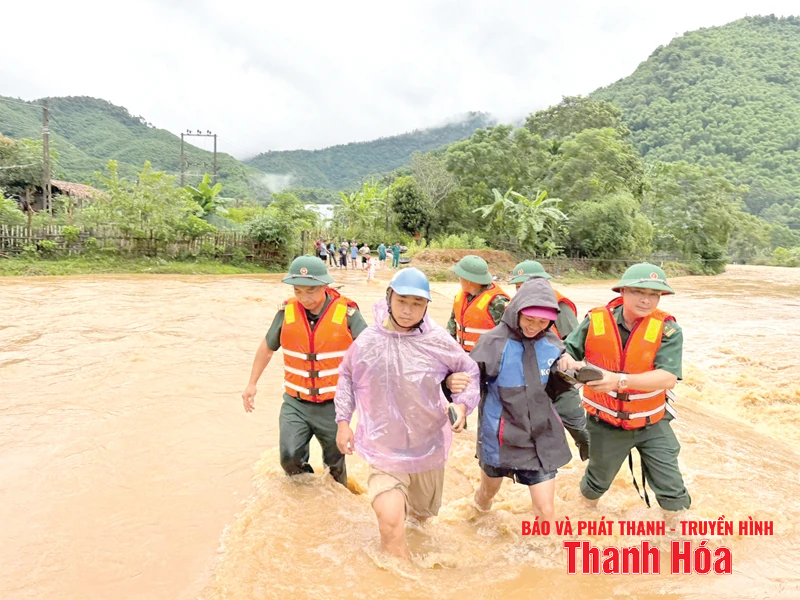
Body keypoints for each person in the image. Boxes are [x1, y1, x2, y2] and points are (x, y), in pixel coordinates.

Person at [335, 268, 480, 559]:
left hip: (427, 446)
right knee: (390, 523)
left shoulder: (437, 340)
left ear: (427, 306)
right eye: (402, 301)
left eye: (417, 303)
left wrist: (462, 405)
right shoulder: (367, 341)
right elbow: (347, 378)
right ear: (389, 297)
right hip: (384, 450)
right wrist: (343, 422)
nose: (407, 310)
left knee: (421, 520)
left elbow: (470, 371)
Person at [559, 263, 691, 512]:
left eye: (654, 294)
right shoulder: (595, 320)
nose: (647, 300)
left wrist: (618, 380)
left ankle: (677, 541)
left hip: (653, 421)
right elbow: (567, 351)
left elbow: (667, 378)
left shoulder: (668, 330)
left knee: (672, 488)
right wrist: (566, 360)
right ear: (623, 291)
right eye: (639, 292)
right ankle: (582, 519)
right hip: (605, 423)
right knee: (597, 482)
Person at [242, 256, 368, 486]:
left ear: (324, 286)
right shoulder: (286, 312)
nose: (304, 298)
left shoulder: (348, 314)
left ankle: (333, 507)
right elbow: (267, 348)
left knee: (335, 471)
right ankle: (307, 500)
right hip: (295, 403)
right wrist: (251, 384)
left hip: (334, 406)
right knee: (289, 458)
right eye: (298, 291)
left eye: (310, 291)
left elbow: (371, 355)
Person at [470, 278, 587, 523]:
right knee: (486, 495)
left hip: (541, 437)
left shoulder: (554, 345)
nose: (535, 326)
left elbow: (558, 392)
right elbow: (468, 386)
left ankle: (549, 558)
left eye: (543, 321)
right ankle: (474, 520)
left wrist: (569, 371)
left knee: (546, 511)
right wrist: (456, 403)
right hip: (500, 436)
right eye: (529, 319)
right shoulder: (492, 343)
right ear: (516, 312)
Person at [447, 255, 510, 352]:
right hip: (462, 356)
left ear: (468, 280)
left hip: (486, 360)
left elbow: (509, 337)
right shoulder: (460, 297)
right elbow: (452, 325)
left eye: (460, 276)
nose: (459, 279)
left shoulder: (497, 302)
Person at [509, 260, 578, 340]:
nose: (521, 290)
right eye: (518, 287)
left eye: (525, 285)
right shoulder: (514, 303)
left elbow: (573, 341)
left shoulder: (558, 304)